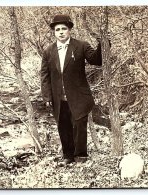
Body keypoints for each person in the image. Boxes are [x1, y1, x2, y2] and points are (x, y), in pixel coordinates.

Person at [41, 14, 102, 165]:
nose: (61, 32)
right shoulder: (48, 51)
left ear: (69, 30)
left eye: (64, 29)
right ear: (54, 32)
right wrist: (47, 97)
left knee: (79, 126)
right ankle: (68, 156)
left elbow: (96, 60)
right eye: (57, 29)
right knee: (63, 126)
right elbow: (44, 74)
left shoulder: (81, 45)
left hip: (78, 96)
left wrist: (103, 44)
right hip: (58, 97)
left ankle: (81, 156)